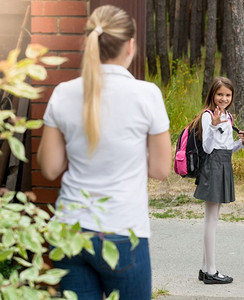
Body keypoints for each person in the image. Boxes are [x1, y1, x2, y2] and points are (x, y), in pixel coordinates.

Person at [37, 5, 171, 299]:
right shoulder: (146, 94)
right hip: (122, 230)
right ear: (130, 46)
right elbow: (161, 170)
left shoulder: (63, 92)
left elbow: (49, 167)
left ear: (89, 43)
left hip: (70, 230)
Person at [190, 77, 244, 284]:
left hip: (223, 164)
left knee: (213, 219)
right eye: (220, 94)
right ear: (212, 95)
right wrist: (213, 126)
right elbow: (207, 148)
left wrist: (240, 144)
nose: (224, 98)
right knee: (211, 220)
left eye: (228, 95)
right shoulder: (208, 116)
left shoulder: (228, 116)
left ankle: (206, 269)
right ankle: (211, 271)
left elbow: (226, 148)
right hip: (213, 166)